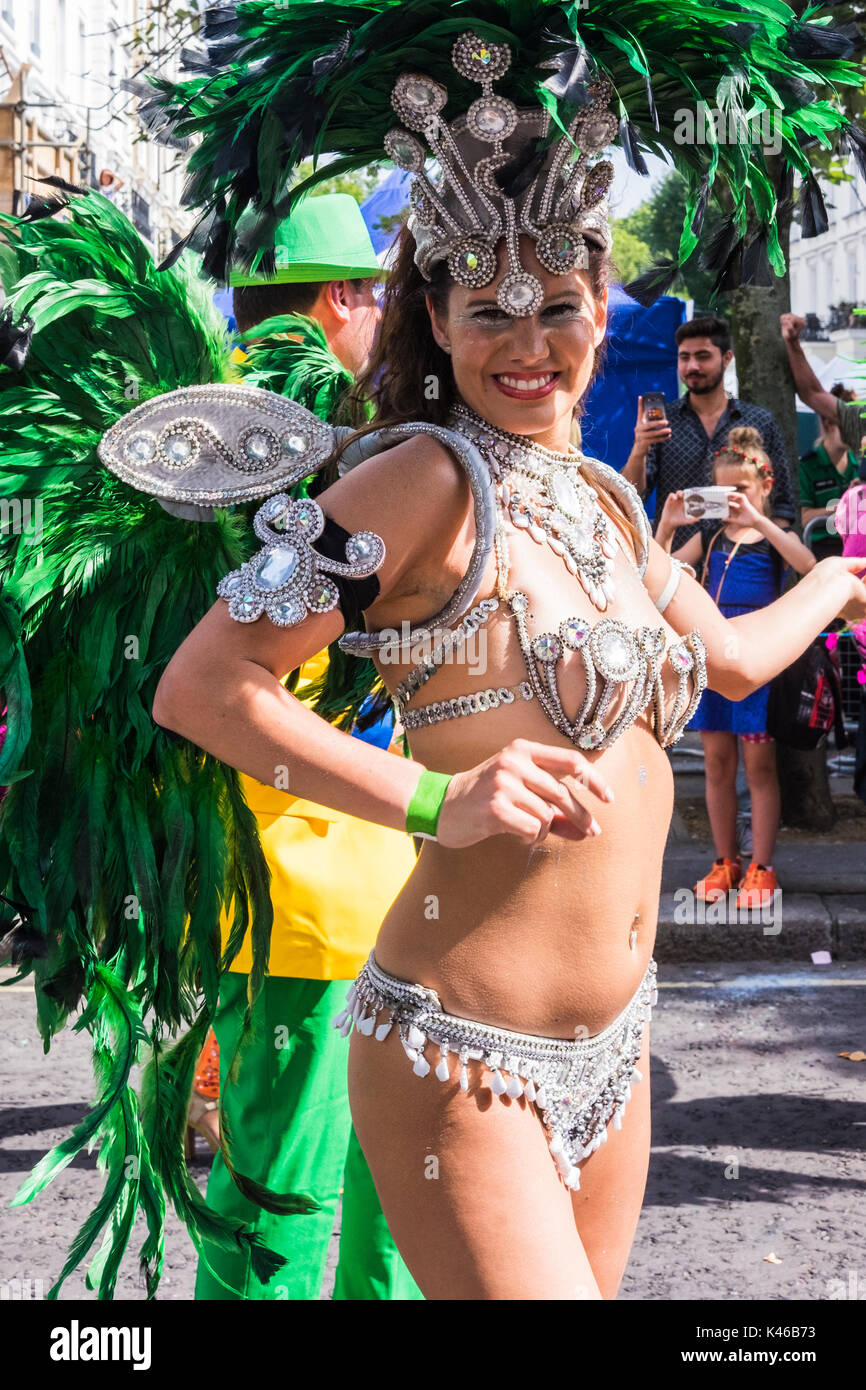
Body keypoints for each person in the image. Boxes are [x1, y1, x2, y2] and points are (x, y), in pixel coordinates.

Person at [147, 2, 866, 1299]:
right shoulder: (415, 479)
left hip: (615, 1046)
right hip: (458, 1045)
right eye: (489, 311)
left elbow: (733, 661)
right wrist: (439, 797)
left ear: (601, 303)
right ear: (436, 313)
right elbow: (206, 686)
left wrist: (842, 584)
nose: (529, 344)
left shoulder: (596, 491)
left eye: (560, 306)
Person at [191, 195, 422, 1302]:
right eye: (372, 294)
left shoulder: (191, 432)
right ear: (341, 298)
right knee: (348, 1184)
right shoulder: (345, 432)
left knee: (285, 1178)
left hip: (262, 870)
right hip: (333, 877)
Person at [656, 427, 815, 906]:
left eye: (741, 491)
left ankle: (762, 868)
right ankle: (724, 863)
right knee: (717, 765)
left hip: (757, 663)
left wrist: (760, 521)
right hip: (713, 661)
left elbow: (809, 566)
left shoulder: (772, 539)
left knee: (760, 767)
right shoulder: (708, 537)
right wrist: (666, 525)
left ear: (765, 487)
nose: (732, 501)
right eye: (723, 492)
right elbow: (657, 571)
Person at [622, 315, 796, 550]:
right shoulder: (664, 423)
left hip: (740, 566)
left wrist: (767, 562)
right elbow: (631, 497)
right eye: (684, 357)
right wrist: (639, 449)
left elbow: (782, 504)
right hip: (677, 568)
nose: (692, 366)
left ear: (726, 358)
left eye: (703, 356)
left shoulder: (759, 422)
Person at [798, 397, 862, 560]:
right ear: (828, 423)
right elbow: (803, 518)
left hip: (855, 543)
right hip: (821, 549)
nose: (856, 432)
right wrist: (844, 504)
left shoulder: (860, 463)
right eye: (849, 426)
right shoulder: (806, 466)